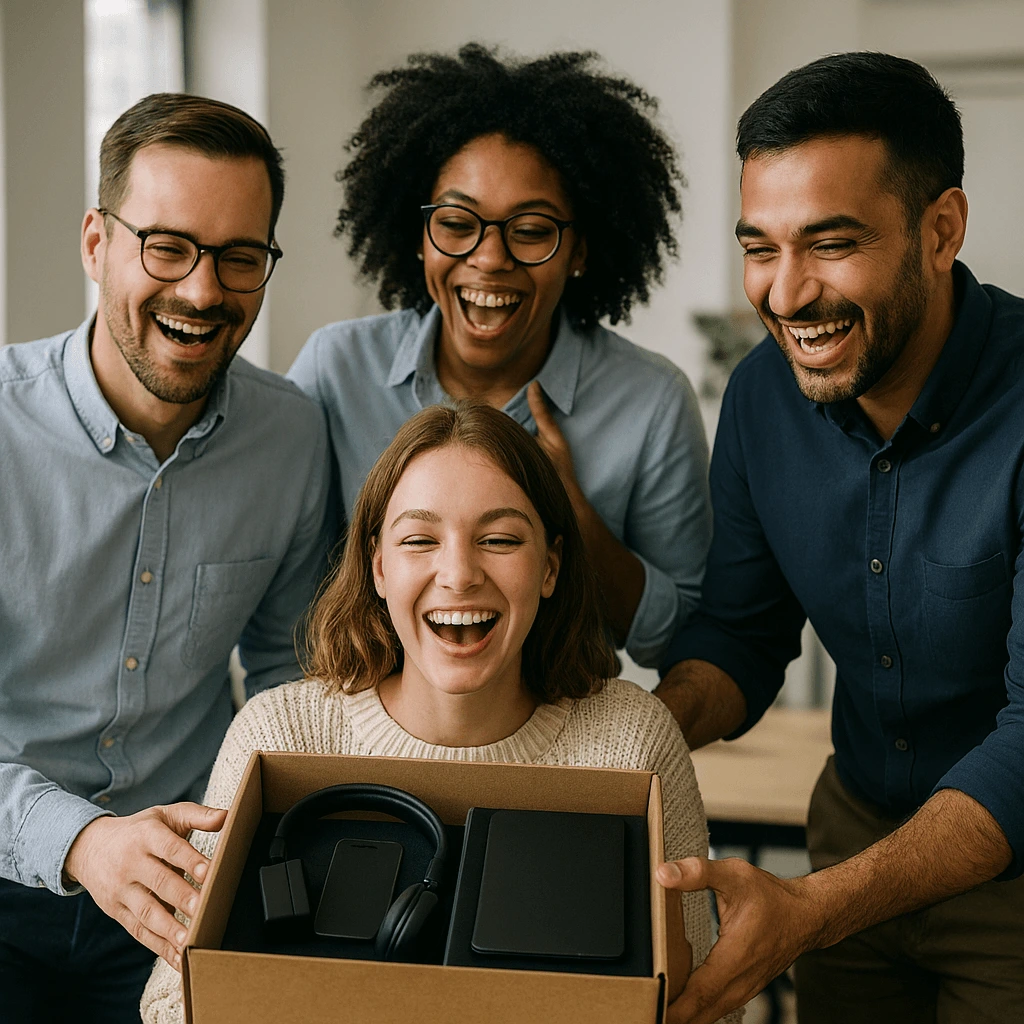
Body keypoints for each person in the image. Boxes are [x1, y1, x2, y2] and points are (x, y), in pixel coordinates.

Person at [140, 401, 741, 1024]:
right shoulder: (278, 732)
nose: (457, 574)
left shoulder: (635, 740)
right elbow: (169, 1002)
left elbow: (710, 1008)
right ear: (378, 566)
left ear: (551, 568)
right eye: (419, 540)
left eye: (500, 539)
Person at [653, 52, 1024, 1024]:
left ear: (940, 229)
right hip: (850, 826)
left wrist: (808, 910)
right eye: (759, 246)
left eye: (830, 243)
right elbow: (739, 634)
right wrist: (611, 743)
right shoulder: (762, 398)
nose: (783, 293)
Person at [0, 93, 332, 1022]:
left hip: (187, 891)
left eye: (239, 257)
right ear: (96, 244)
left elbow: (285, 674)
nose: (201, 290)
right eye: (167, 246)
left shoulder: (294, 437)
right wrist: (83, 841)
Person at [287, 44, 712, 668]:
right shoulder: (337, 370)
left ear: (580, 252)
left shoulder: (650, 402)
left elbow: (683, 637)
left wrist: (571, 518)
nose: (489, 258)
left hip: (561, 738)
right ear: (419, 237)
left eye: (532, 230)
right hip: (369, 733)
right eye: (457, 224)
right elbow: (293, 596)